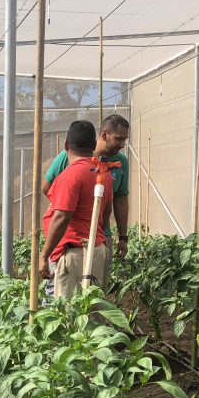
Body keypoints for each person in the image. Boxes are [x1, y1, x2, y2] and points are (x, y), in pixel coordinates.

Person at [42, 113, 131, 288]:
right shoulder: (74, 162)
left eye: (125, 140)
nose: (122, 144)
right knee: (84, 294)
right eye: (119, 139)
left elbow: (119, 201)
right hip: (75, 240)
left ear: (68, 145)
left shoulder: (118, 163)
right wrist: (70, 208)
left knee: (78, 296)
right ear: (103, 135)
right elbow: (47, 188)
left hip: (91, 239)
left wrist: (122, 236)